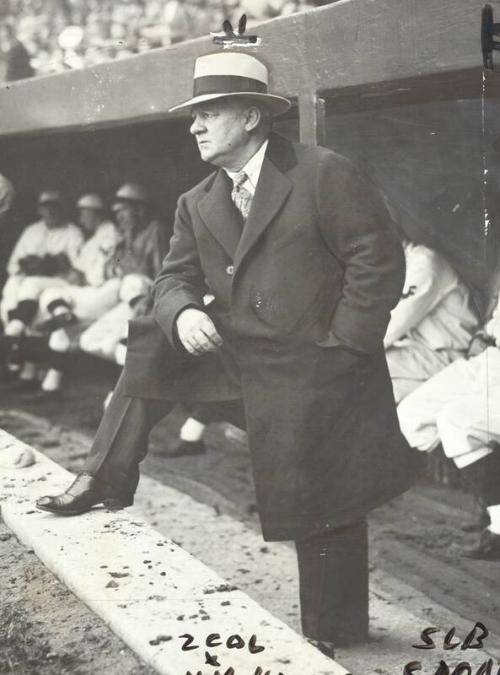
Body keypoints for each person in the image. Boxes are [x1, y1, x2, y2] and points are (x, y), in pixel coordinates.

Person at [36, 52, 418, 652]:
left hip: (320, 360)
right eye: (193, 116)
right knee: (149, 343)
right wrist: (183, 311)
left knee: (324, 495)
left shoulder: (322, 172)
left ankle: (334, 630)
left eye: (208, 113)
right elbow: (170, 280)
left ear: (250, 116)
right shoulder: (196, 200)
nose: (194, 127)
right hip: (241, 356)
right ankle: (104, 475)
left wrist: (347, 342)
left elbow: (377, 259)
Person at [397, 265, 500, 561]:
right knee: (414, 416)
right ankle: (490, 501)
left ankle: (498, 527)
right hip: (488, 355)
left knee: (459, 421)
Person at [36, 193, 123, 393]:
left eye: (85, 214)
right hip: (90, 290)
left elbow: (112, 264)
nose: (81, 219)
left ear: (96, 215)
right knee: (53, 296)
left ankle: (64, 316)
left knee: (66, 317)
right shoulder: (93, 238)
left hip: (107, 291)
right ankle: (62, 316)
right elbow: (81, 269)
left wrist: (87, 275)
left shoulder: (110, 232)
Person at [1, 190, 83, 384]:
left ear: (63, 209)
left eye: (55, 206)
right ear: (40, 209)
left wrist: (51, 265)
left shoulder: (73, 232)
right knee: (12, 291)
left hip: (57, 282)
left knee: (36, 299)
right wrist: (28, 265)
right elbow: (13, 265)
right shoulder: (32, 230)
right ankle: (17, 349)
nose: (51, 211)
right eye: (46, 207)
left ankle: (28, 360)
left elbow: (77, 269)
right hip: (28, 281)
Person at [77, 182, 165, 364]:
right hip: (130, 301)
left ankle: (128, 387)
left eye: (123, 211)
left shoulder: (155, 230)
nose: (119, 218)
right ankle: (130, 382)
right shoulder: (125, 238)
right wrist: (118, 253)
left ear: (139, 209)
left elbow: (161, 272)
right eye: (116, 213)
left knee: (132, 281)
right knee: (90, 341)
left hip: (150, 298)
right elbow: (112, 269)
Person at [384, 237, 478, 402]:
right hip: (417, 351)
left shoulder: (425, 264)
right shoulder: (396, 267)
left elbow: (389, 328)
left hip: (447, 355)